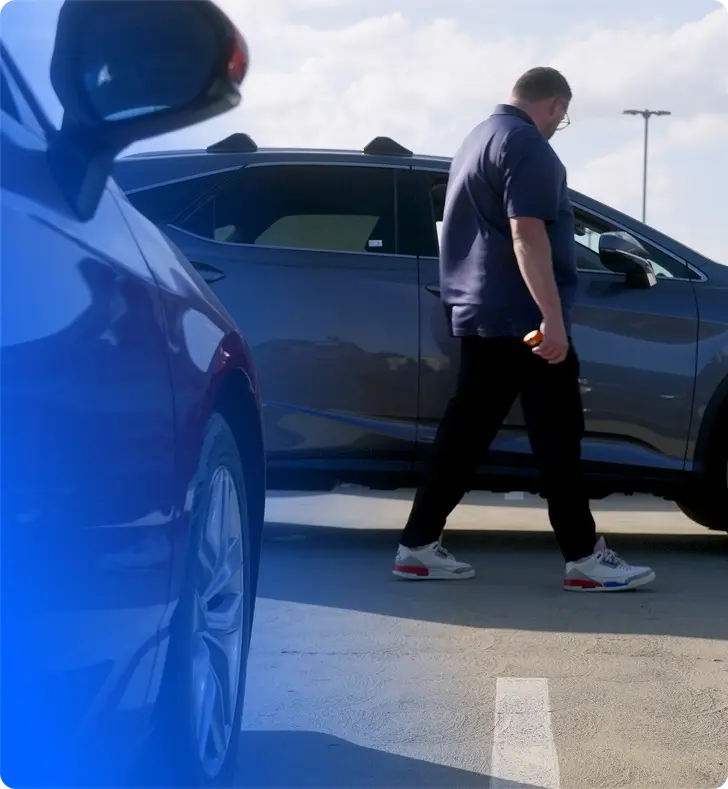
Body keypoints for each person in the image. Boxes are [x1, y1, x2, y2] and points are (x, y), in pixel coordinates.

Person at [393, 67, 655, 592]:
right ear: (555, 105)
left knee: (466, 433)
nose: (560, 124)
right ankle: (584, 557)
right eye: (564, 116)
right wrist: (552, 319)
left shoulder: (477, 138)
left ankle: (417, 546)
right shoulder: (528, 144)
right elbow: (527, 234)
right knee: (558, 435)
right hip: (525, 320)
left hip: (481, 313)